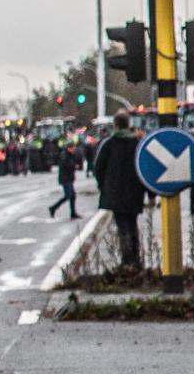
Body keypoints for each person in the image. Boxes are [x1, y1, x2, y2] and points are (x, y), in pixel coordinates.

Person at [92, 113, 147, 268]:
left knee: (122, 226)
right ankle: (136, 258)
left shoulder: (109, 144)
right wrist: (148, 192)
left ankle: (127, 259)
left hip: (115, 193)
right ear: (128, 124)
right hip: (135, 192)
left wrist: (104, 187)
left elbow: (98, 168)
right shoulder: (137, 144)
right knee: (132, 224)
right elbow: (145, 167)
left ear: (115, 125)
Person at [48, 141, 82, 218]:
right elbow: (66, 165)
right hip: (65, 178)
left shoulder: (69, 155)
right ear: (69, 148)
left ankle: (73, 213)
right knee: (68, 196)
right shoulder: (65, 155)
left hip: (69, 178)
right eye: (73, 148)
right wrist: (74, 166)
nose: (74, 150)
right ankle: (53, 208)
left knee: (72, 196)